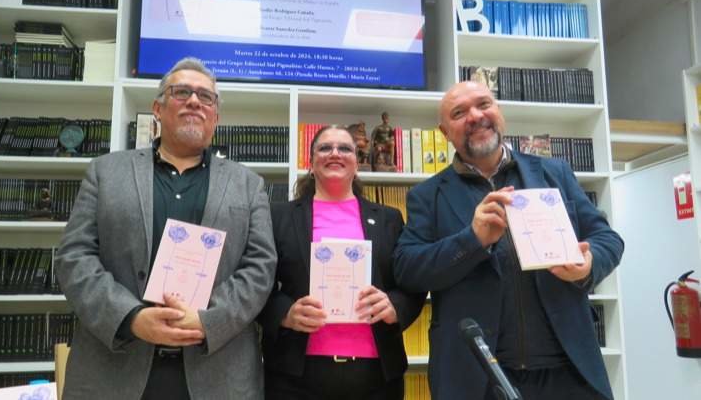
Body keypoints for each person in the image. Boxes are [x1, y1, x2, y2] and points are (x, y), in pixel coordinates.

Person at [54, 57, 277, 400]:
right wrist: (131, 317)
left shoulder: (248, 185)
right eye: (181, 92)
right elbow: (74, 257)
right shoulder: (105, 172)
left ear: (215, 117)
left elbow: (260, 268)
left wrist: (207, 320)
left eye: (206, 97)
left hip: (219, 375)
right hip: (114, 370)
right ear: (157, 108)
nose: (194, 101)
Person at [393, 81, 624, 400]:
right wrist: (471, 240)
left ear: (499, 112)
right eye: (459, 113)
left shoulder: (554, 172)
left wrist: (588, 264)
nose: (475, 116)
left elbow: (606, 239)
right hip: (478, 379)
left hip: (569, 373)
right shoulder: (427, 195)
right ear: (445, 133)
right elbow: (407, 269)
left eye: (484, 104)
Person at [259, 125, 426, 399]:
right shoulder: (279, 216)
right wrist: (286, 313)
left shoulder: (389, 219)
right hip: (295, 378)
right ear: (311, 163)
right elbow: (257, 283)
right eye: (325, 148)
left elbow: (413, 282)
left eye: (345, 148)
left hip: (377, 377)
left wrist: (394, 307)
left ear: (356, 163)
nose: (334, 153)